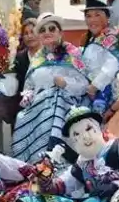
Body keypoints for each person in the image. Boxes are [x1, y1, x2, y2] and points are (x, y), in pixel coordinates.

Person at [12, 13, 90, 164]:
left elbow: (84, 85)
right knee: (22, 117)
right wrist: (28, 95)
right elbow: (29, 86)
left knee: (58, 106)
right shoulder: (37, 58)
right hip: (40, 107)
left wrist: (66, 83)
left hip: (68, 104)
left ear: (60, 33)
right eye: (42, 30)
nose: (47, 32)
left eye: (52, 28)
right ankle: (35, 166)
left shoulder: (73, 53)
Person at [80, 0, 119, 117]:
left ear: (107, 16)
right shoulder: (91, 39)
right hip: (91, 92)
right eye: (88, 16)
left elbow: (113, 65)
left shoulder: (111, 37)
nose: (92, 20)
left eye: (97, 15)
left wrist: (94, 86)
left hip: (107, 93)